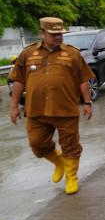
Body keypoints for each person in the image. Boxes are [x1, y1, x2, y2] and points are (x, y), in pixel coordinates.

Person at [9, 17, 94, 195]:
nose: (58, 38)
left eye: (60, 34)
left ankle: (71, 177)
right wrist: (14, 106)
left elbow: (83, 80)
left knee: (70, 145)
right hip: (36, 110)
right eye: (53, 34)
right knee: (37, 143)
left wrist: (87, 102)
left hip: (65, 110)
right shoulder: (28, 53)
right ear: (42, 34)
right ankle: (59, 162)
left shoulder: (72, 54)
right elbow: (18, 80)